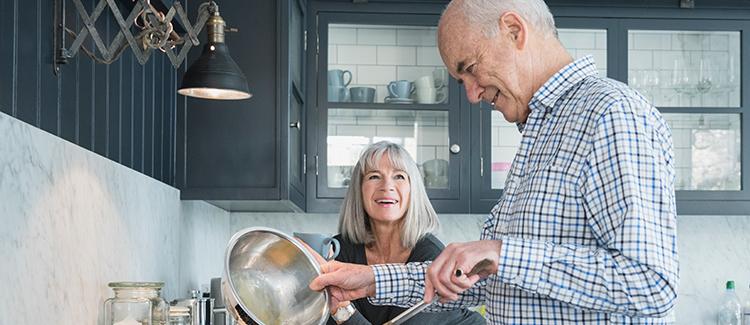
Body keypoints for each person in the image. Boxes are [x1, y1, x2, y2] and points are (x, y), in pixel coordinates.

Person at [310, 0, 679, 324]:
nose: (472, 94)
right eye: (461, 80)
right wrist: (371, 280)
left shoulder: (609, 114)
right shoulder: (542, 130)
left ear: (514, 30)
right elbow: (488, 284)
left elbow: (651, 284)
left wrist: (501, 253)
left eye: (470, 68)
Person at [319, 141, 485, 325]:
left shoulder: (431, 256)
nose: (386, 186)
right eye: (374, 177)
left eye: (399, 176)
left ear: (413, 190)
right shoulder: (340, 250)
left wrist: (340, 308)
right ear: (359, 189)